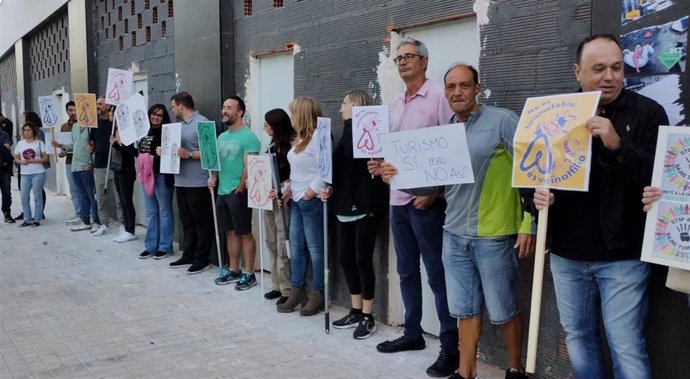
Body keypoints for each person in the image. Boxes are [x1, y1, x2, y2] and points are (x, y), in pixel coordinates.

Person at [384, 63, 535, 379]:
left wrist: (527, 222)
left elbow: (531, 170)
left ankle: (515, 369)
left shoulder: (503, 121)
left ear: (477, 88)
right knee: (464, 309)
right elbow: (429, 186)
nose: (457, 92)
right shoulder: (447, 132)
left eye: (464, 85)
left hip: (493, 234)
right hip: (452, 233)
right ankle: (466, 373)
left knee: (503, 308)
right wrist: (395, 176)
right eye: (451, 87)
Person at [533, 34, 668, 379]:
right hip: (566, 254)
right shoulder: (553, 115)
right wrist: (535, 199)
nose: (609, 76)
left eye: (616, 68)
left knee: (626, 345)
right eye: (598, 69)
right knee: (578, 339)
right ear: (577, 71)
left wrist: (616, 143)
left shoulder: (648, 114)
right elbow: (531, 174)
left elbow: (662, 179)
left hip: (623, 257)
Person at [368, 37, 458, 377]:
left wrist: (435, 191)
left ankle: (450, 346)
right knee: (406, 272)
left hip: (427, 202)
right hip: (398, 200)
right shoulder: (395, 105)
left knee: (437, 274)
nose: (403, 62)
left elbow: (453, 145)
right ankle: (413, 333)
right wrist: (380, 166)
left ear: (424, 61)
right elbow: (394, 153)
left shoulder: (438, 96)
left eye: (409, 57)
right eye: (398, 58)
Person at [321, 90, 388, 339]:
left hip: (367, 203)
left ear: (357, 105)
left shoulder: (368, 131)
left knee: (362, 258)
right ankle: (356, 309)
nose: (341, 108)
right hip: (344, 203)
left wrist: (354, 122)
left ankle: (368, 315)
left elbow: (361, 157)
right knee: (345, 257)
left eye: (344, 103)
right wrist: (329, 188)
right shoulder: (345, 132)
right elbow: (339, 168)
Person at [276, 96, 326, 316]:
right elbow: (297, 171)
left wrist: (310, 192)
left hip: (311, 200)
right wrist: (287, 188)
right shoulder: (299, 140)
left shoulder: (319, 138)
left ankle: (318, 292)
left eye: (294, 113)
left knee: (315, 249)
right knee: (296, 247)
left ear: (303, 115)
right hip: (296, 200)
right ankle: (297, 289)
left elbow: (325, 170)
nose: (291, 117)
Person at [209, 96, 262, 290]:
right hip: (222, 191)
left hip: (239, 192)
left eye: (229, 108)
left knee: (245, 233)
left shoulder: (249, 137)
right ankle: (234, 270)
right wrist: (213, 177)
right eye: (223, 107)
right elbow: (215, 163)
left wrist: (240, 188)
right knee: (230, 233)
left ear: (240, 112)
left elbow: (250, 166)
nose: (224, 111)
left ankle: (249, 274)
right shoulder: (222, 137)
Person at [166, 91, 214, 275]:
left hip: (198, 182)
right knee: (186, 220)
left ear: (181, 105)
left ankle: (202, 258)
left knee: (201, 221)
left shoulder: (202, 122)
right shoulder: (179, 126)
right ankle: (189, 254)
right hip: (181, 181)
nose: (172, 109)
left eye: (173, 106)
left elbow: (210, 152)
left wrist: (190, 154)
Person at [261, 108, 295, 304]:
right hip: (268, 199)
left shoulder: (290, 146)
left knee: (283, 244)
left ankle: (287, 289)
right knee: (271, 242)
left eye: (267, 124)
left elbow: (293, 175)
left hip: (283, 201)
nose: (265, 128)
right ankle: (276, 284)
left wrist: (281, 187)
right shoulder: (272, 145)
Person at [53, 108, 103, 233]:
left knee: (92, 195)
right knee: (82, 195)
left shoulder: (93, 126)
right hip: (75, 165)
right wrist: (60, 145)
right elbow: (73, 145)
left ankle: (96, 221)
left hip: (86, 165)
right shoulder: (75, 126)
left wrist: (92, 163)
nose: (75, 113)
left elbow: (96, 147)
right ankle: (85, 221)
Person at [137, 104, 175, 259]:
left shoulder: (168, 132)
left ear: (164, 117)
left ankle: (165, 246)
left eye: (159, 115)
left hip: (162, 176)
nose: (156, 117)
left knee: (165, 212)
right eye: (153, 114)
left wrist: (164, 153)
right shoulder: (143, 132)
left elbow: (173, 155)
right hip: (146, 176)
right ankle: (151, 246)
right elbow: (137, 153)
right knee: (151, 212)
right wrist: (119, 144)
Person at [90, 97, 123, 235]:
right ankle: (104, 223)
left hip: (114, 165)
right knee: (101, 198)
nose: (97, 106)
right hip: (99, 166)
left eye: (100, 103)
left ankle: (123, 224)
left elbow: (121, 141)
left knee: (118, 197)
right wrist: (90, 148)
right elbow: (92, 143)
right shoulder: (94, 124)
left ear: (108, 105)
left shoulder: (116, 123)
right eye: (97, 103)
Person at [13, 124, 49, 227]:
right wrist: (21, 162)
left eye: (28, 130)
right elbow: (16, 158)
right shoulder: (20, 144)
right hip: (25, 173)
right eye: (24, 130)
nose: (26, 132)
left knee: (37, 196)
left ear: (33, 131)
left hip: (38, 172)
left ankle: (37, 219)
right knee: (24, 197)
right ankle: (27, 219)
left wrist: (34, 160)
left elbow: (46, 158)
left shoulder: (39, 143)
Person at [110, 123, 138, 243]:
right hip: (117, 168)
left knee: (127, 201)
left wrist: (119, 143)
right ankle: (126, 227)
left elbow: (133, 152)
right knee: (122, 200)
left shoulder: (129, 129)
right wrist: (115, 143)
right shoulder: (115, 128)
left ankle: (130, 230)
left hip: (126, 170)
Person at [58, 101, 82, 224]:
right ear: (67, 111)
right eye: (70, 110)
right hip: (69, 161)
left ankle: (86, 213)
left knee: (83, 188)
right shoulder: (64, 127)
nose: (72, 113)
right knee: (73, 189)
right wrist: (62, 151)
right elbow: (64, 146)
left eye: (74, 110)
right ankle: (78, 213)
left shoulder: (83, 124)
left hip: (82, 161)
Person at [0, 127, 14, 223]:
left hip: (3, 167)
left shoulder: (4, 134)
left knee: (6, 192)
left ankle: (6, 213)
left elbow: (7, 148)